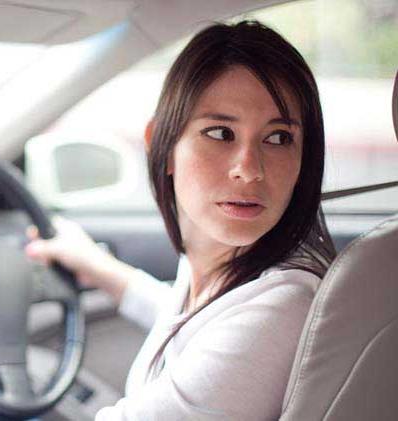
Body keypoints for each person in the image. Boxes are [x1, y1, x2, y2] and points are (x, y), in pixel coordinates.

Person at [25, 20, 336, 420]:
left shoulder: (279, 309)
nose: (249, 169)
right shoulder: (218, 263)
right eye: (222, 133)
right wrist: (100, 270)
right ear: (162, 144)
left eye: (278, 138)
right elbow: (195, 329)